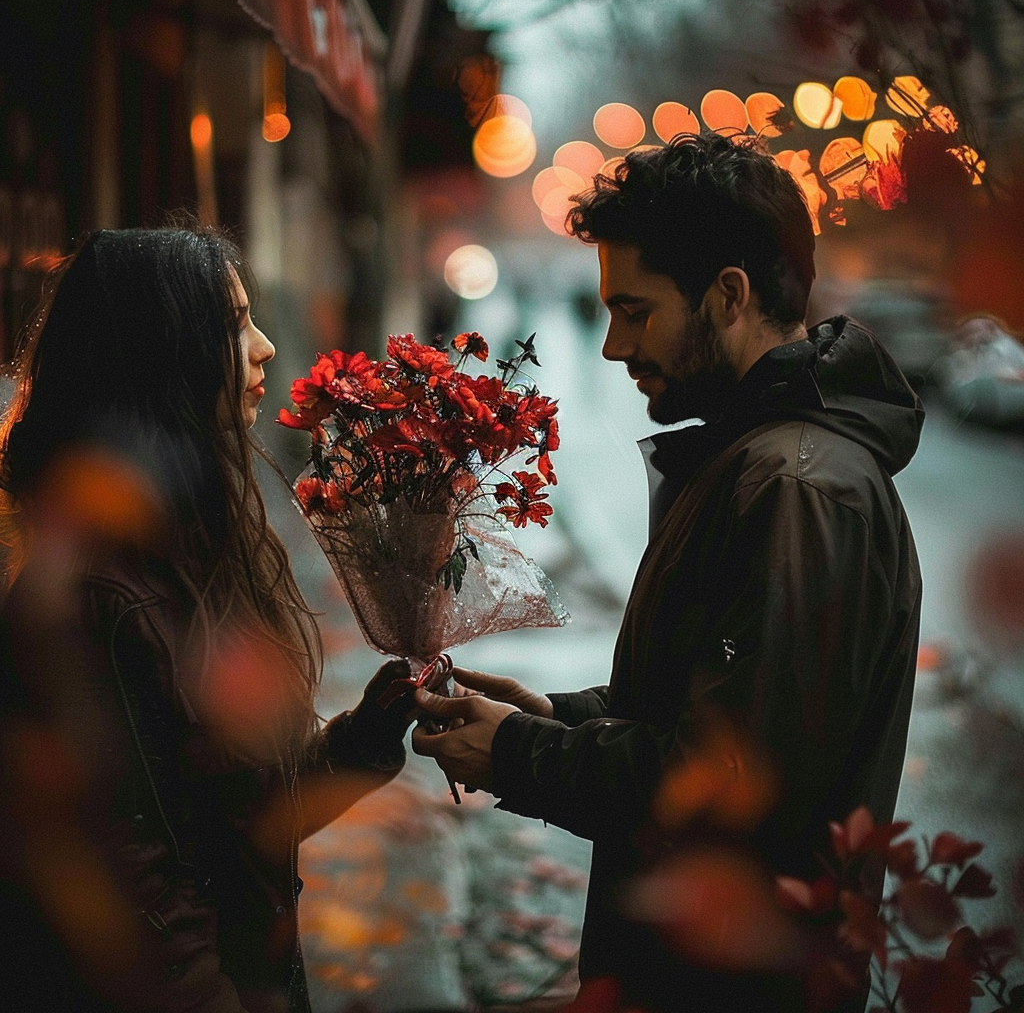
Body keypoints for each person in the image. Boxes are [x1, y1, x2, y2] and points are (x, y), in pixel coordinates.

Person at [412, 133, 924, 1011]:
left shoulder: (793, 489)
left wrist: (519, 753)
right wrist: (550, 717)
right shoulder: (752, 461)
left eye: (637, 310)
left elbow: (731, 792)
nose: (614, 345)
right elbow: (710, 711)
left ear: (728, 295)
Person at [0, 225, 412, 1012]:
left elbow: (241, 821)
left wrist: (368, 735)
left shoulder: (190, 549)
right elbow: (139, 891)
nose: (264, 349)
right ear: (160, 354)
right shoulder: (98, 596)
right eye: (234, 326)